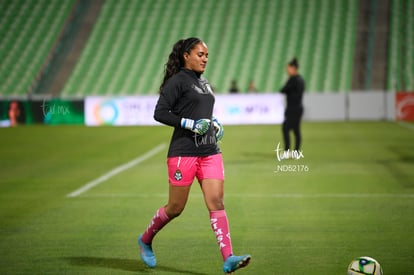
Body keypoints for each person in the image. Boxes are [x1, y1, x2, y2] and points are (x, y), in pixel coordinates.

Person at [137, 37, 251, 274]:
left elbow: (202, 112)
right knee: (176, 207)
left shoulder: (205, 83)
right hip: (183, 153)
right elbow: (160, 113)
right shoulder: (177, 81)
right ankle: (146, 240)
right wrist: (188, 123)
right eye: (200, 54)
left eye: (207, 55)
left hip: (210, 151)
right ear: (186, 55)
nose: (205, 59)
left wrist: (213, 124)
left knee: (216, 202)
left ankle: (228, 258)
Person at [280, 57, 305, 154]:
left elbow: (283, 90)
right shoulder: (301, 79)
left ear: (293, 68)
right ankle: (296, 152)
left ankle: (287, 152)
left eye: (288, 68)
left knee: (285, 128)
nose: (287, 70)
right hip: (298, 108)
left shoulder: (293, 80)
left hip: (292, 109)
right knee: (296, 130)